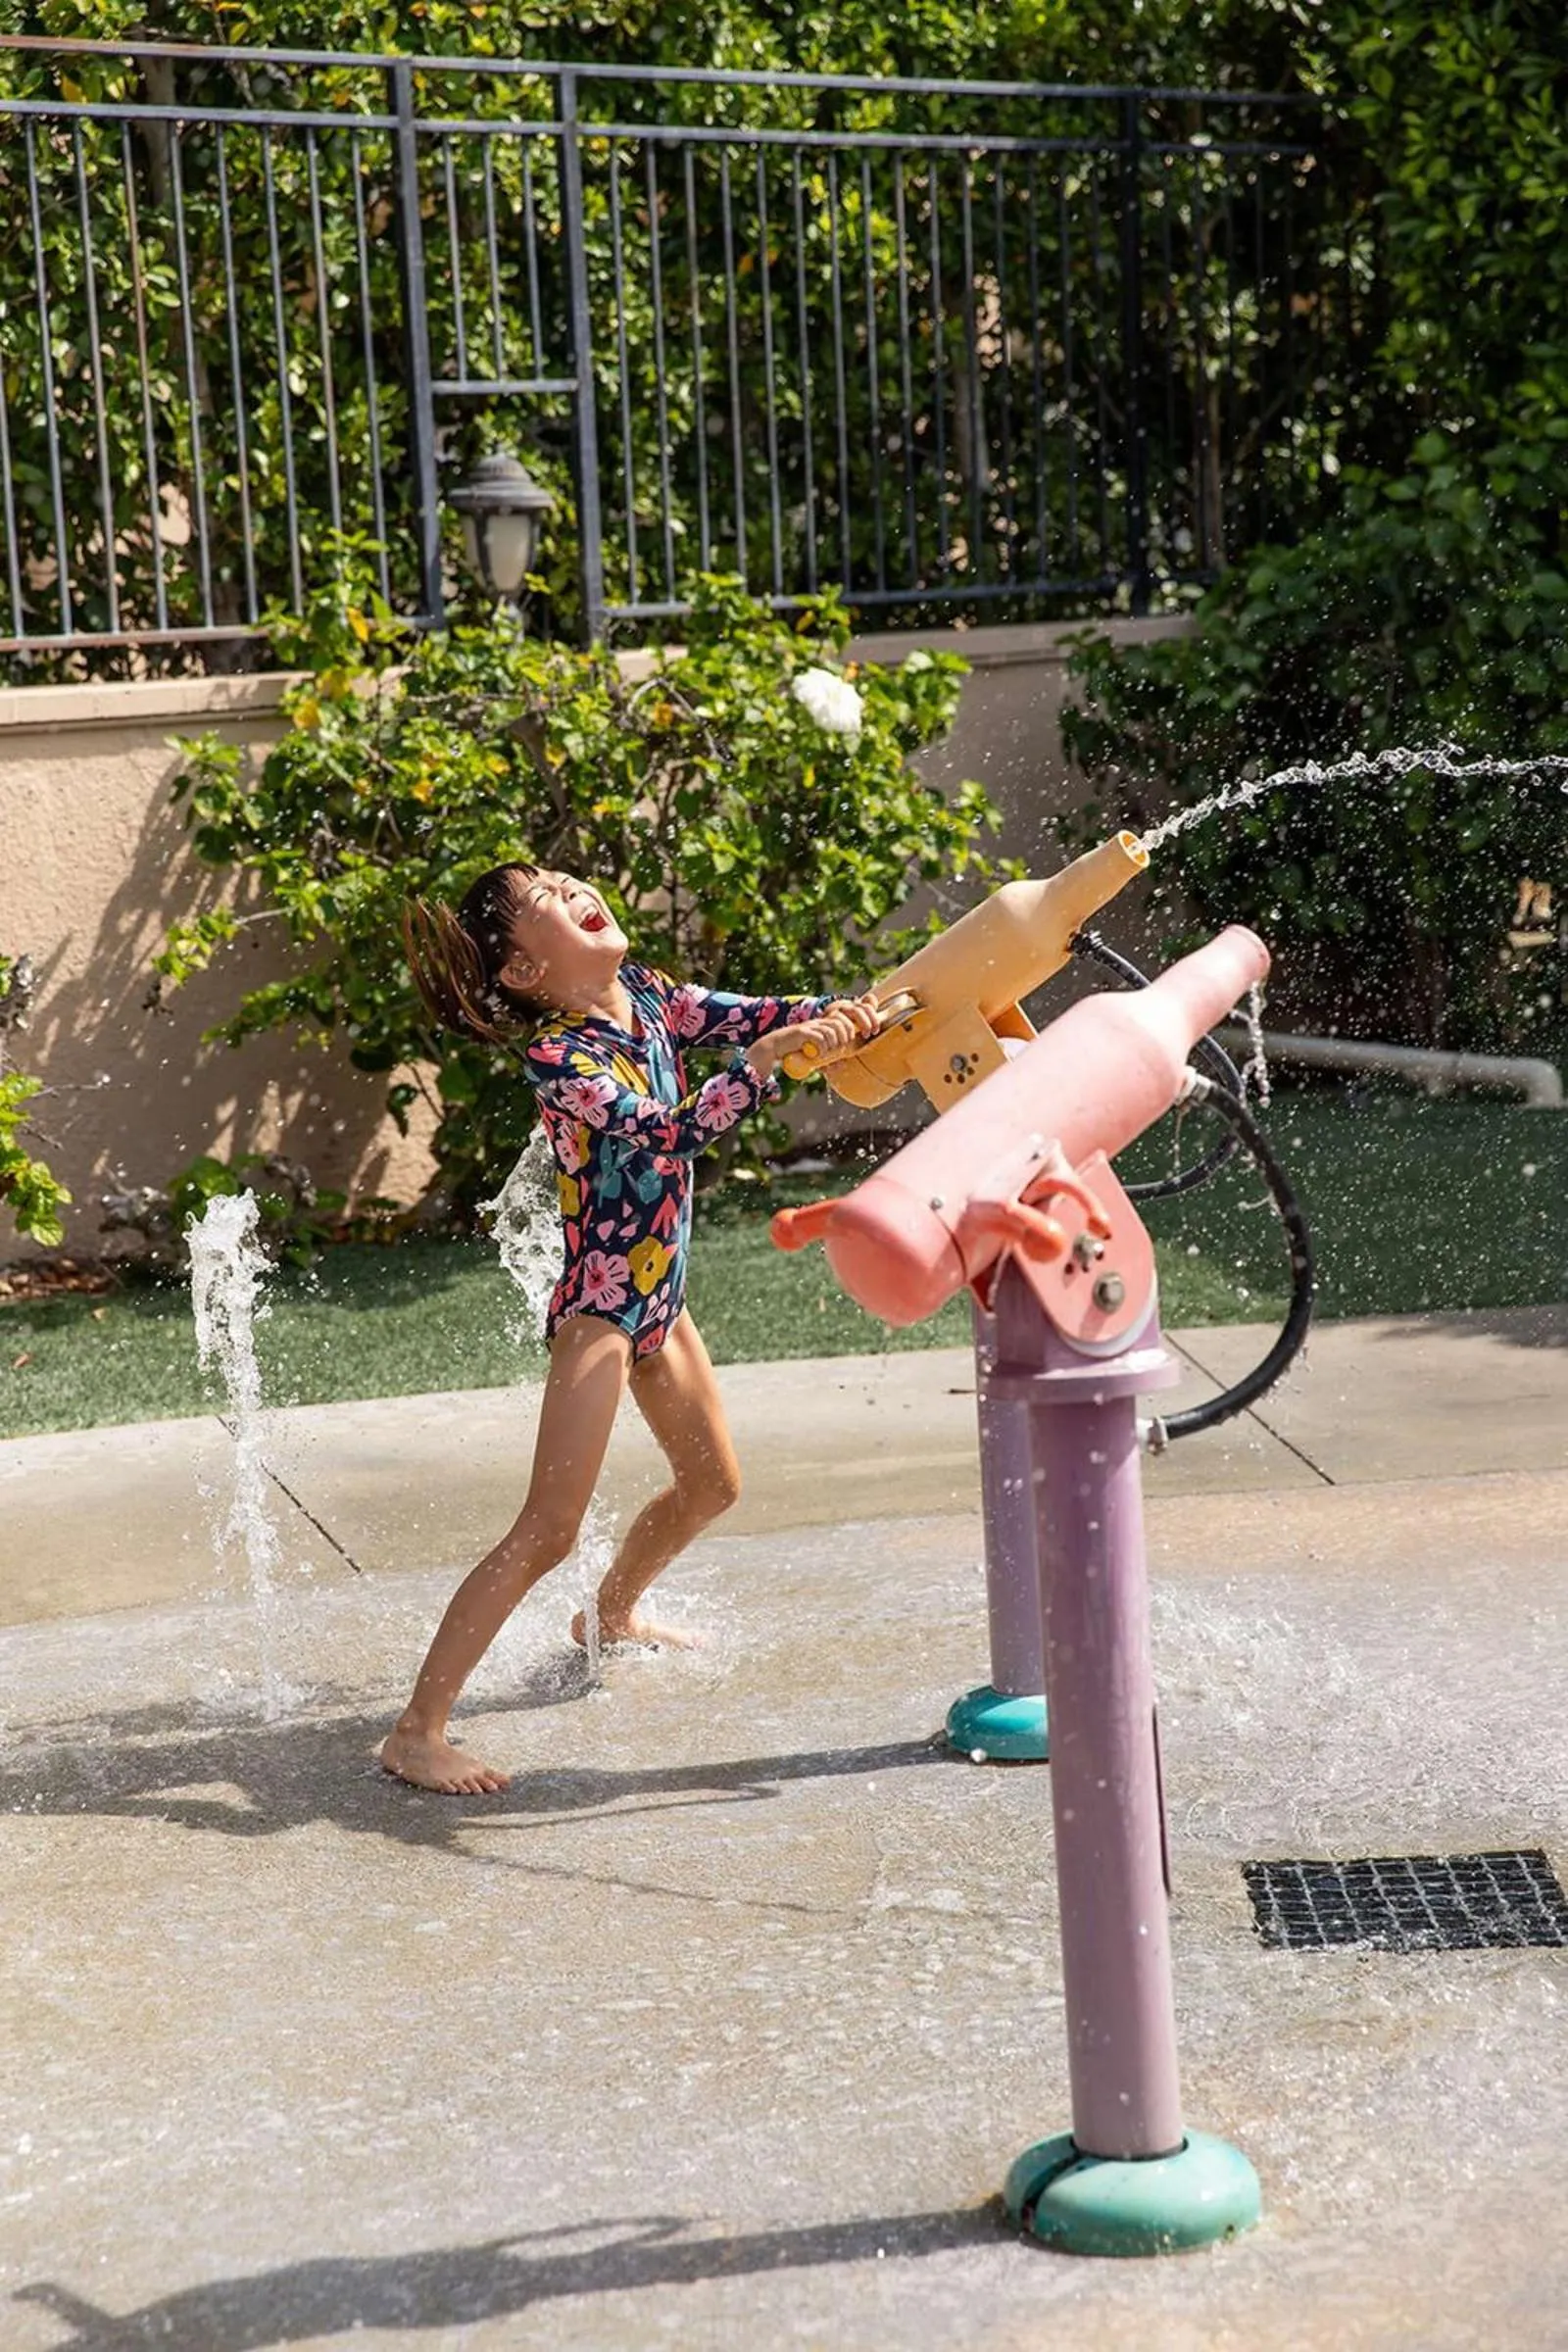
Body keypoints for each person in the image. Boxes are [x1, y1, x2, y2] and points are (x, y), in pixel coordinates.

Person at [379, 861, 879, 1793]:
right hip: (602, 1313)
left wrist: (857, 1011)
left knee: (712, 1486)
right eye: (547, 906)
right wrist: (763, 1070)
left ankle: (610, 1616)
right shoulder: (559, 1058)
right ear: (527, 973)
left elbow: (754, 1014)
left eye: (569, 883)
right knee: (547, 1529)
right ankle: (417, 1730)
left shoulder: (648, 997)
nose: (575, 894)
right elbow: (664, 1131)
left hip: (661, 1302)